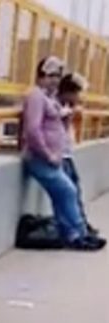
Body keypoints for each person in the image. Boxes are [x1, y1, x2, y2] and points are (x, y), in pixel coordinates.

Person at [21, 57, 102, 250]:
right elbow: (32, 130)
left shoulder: (48, 98)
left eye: (58, 76)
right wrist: (48, 154)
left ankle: (74, 234)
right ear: (41, 75)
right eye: (51, 76)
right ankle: (78, 234)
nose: (55, 80)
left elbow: (56, 125)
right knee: (68, 191)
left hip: (52, 157)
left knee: (63, 194)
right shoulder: (35, 96)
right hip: (40, 158)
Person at [57, 72, 98, 235]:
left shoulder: (67, 107)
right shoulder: (58, 107)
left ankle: (81, 225)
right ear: (69, 92)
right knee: (68, 193)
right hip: (60, 155)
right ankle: (73, 229)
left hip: (67, 155)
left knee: (75, 191)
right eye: (78, 93)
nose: (80, 98)